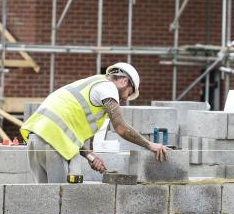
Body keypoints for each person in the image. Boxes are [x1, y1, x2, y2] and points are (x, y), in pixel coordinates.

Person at [20, 62, 170, 183]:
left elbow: (68, 134)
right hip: (53, 144)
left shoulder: (92, 84)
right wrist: (150, 144)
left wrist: (91, 157)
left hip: (37, 139)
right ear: (124, 81)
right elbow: (121, 128)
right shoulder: (108, 87)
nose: (124, 99)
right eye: (128, 93)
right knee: (59, 199)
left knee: (42, 200)